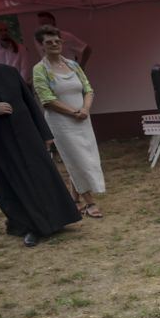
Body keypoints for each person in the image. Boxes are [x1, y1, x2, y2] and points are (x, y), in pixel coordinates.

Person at [0, 32, 81, 247]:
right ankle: (30, 227)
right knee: (14, 184)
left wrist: (45, 134)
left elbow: (30, 103)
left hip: (27, 136)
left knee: (42, 177)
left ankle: (59, 219)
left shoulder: (9, 72)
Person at [33, 25, 106, 219]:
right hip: (62, 123)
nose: (54, 44)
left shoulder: (73, 65)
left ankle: (74, 198)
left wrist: (85, 109)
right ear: (41, 45)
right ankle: (90, 203)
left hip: (83, 119)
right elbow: (46, 99)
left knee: (86, 157)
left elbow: (88, 89)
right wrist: (73, 112)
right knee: (76, 159)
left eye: (57, 41)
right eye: (49, 42)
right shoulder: (40, 70)